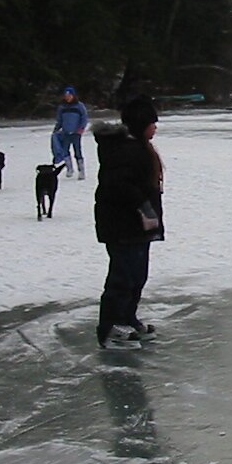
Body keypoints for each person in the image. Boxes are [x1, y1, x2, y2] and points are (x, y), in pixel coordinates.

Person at [93, 96, 164, 349]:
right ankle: (110, 328)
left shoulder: (140, 148)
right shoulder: (123, 150)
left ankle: (127, 319)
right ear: (140, 124)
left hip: (139, 225)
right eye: (152, 123)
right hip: (122, 225)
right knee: (122, 278)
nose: (155, 128)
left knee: (137, 276)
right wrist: (143, 206)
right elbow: (117, 186)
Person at [54, 86, 90, 178]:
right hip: (65, 132)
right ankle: (69, 168)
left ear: (73, 96)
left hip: (76, 133)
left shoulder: (79, 106)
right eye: (66, 96)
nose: (67, 97)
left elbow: (84, 118)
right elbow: (59, 120)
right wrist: (56, 129)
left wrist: (81, 128)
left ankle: (81, 170)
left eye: (69, 95)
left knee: (77, 151)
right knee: (65, 151)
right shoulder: (62, 107)